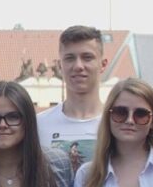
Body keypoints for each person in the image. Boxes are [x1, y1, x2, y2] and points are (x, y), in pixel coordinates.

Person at [37, 25, 108, 168]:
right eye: (70, 58)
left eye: (87, 58)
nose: (78, 66)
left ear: (103, 64)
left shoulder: (117, 123)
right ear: (60, 65)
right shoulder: (38, 125)